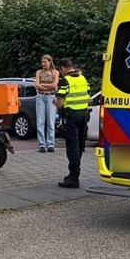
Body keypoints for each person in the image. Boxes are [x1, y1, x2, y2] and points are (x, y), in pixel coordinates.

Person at [54, 58, 90, 188]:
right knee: (79, 146)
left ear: (62, 68)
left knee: (72, 147)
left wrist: (55, 102)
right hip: (84, 116)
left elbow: (60, 103)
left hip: (71, 117)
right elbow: (88, 96)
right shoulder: (83, 79)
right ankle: (73, 174)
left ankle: (74, 178)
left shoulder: (65, 81)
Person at [34, 55, 59, 153]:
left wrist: (42, 85)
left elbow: (54, 85)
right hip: (40, 96)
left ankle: (50, 144)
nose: (43, 64)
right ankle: (41, 145)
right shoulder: (39, 72)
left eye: (45, 62)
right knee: (40, 121)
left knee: (51, 121)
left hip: (51, 97)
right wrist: (48, 86)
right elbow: (36, 85)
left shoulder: (55, 72)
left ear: (50, 62)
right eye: (42, 62)